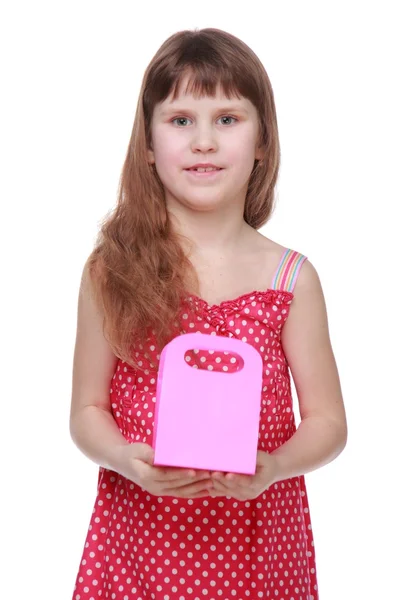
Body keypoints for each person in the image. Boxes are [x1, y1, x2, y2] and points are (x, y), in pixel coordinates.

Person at [70, 27, 347, 600]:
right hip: (139, 545)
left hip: (260, 546)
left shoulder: (291, 278)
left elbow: (327, 423)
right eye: (180, 120)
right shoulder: (111, 269)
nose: (203, 142)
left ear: (262, 140)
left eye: (227, 119)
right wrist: (125, 458)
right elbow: (87, 409)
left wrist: (273, 467)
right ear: (147, 142)